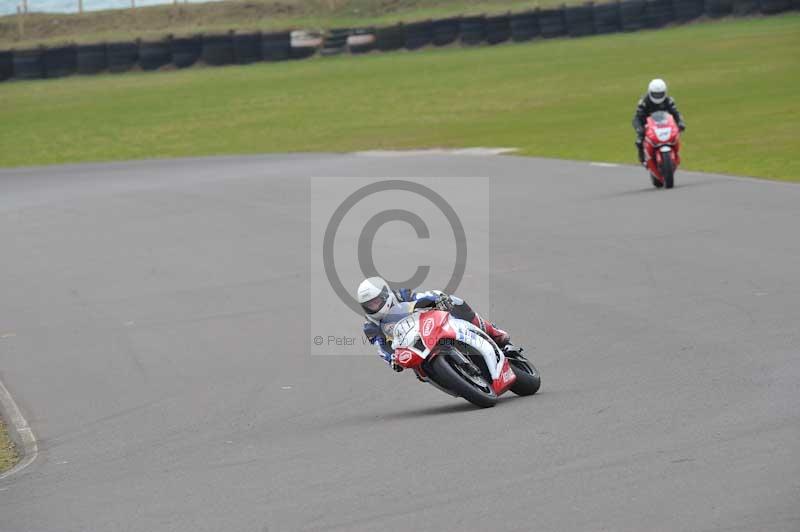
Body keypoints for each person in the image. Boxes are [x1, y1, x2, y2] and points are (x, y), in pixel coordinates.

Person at [357, 276, 518, 372]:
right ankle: (454, 379)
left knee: (455, 302)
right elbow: (381, 348)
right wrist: (392, 359)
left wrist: (437, 298)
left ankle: (492, 331)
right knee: (419, 371)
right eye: (369, 305)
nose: (374, 307)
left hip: (429, 326)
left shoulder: (401, 295)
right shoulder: (370, 326)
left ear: (385, 295)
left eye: (376, 301)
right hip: (413, 347)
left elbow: (422, 296)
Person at [632, 79, 686, 165]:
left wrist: (680, 122)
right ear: (650, 92)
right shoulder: (644, 102)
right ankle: (642, 158)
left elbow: (676, 113)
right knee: (640, 139)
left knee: (676, 135)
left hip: (664, 123)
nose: (658, 96)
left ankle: (675, 153)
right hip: (646, 122)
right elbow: (638, 117)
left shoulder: (669, 101)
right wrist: (640, 129)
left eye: (660, 94)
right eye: (655, 94)